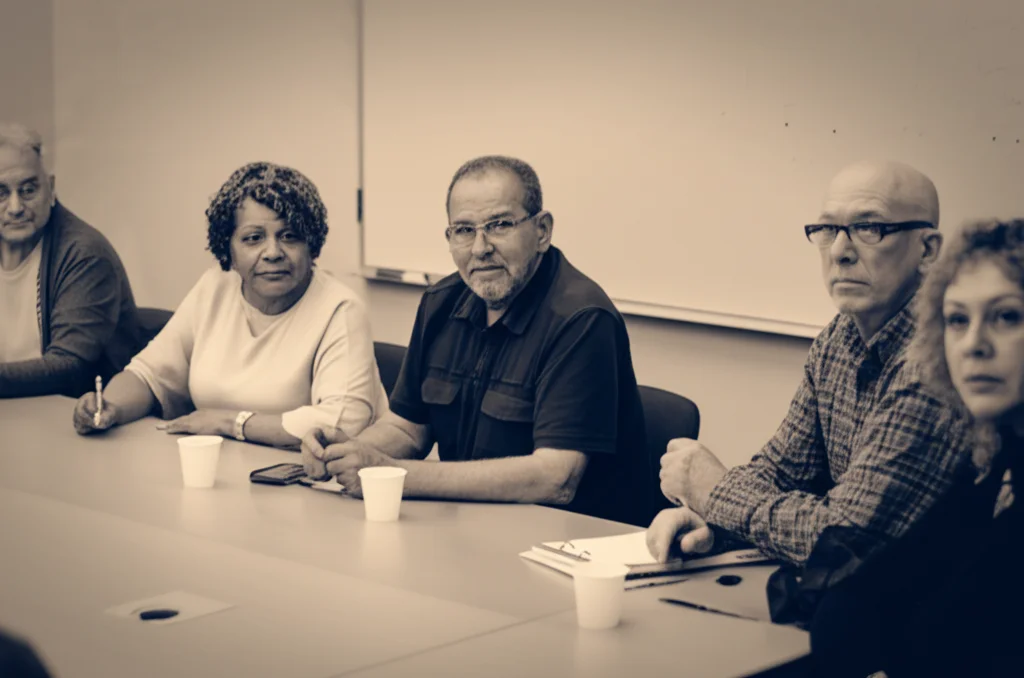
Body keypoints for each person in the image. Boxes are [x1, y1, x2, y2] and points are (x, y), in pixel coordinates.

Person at [648, 160, 973, 564]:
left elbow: (846, 538)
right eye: (827, 230)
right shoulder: (838, 337)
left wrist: (716, 493)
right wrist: (710, 523)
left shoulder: (941, 359)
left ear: (927, 250)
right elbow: (781, 471)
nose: (839, 252)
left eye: (870, 228)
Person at [302, 155, 646, 524]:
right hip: (465, 526)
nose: (480, 248)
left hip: (571, 544)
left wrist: (393, 474)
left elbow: (555, 478)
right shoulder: (440, 303)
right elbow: (408, 428)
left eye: (499, 225)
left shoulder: (581, 319)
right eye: (464, 230)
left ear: (542, 230)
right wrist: (348, 451)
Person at [809, 218, 1024, 677]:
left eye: (1007, 316)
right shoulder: (994, 463)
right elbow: (851, 599)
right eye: (957, 320)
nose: (974, 345)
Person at [72, 162, 388, 448]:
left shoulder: (341, 310)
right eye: (253, 238)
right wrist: (110, 407)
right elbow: (150, 374)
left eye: (290, 236)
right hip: (224, 474)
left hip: (314, 483)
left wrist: (229, 422)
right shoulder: (215, 288)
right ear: (229, 249)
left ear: (312, 244)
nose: (273, 252)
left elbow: (342, 422)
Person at [0, 122, 141, 398]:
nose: (15, 208)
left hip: (77, 421)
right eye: (0, 193)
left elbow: (68, 367)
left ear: (50, 189)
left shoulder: (85, 254)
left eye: (28, 190)